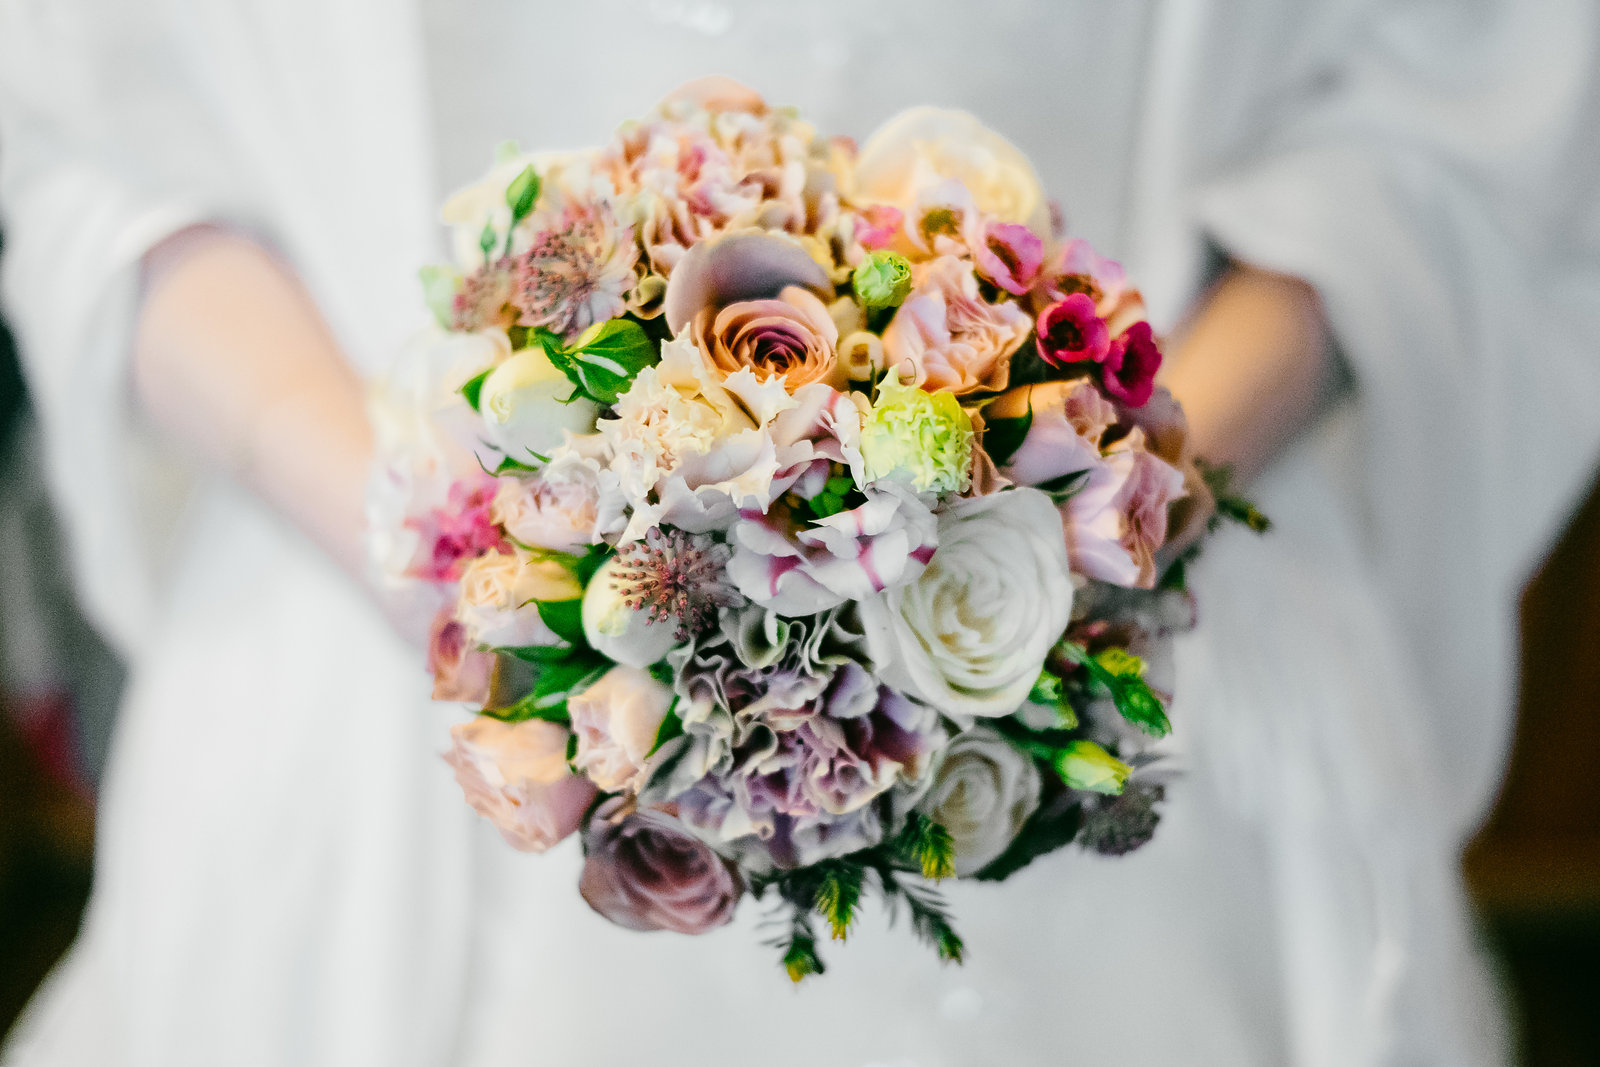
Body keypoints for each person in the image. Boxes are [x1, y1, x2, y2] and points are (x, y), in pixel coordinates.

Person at [2, 1, 1597, 1064]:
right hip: (378, 714)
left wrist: (1096, 488)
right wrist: (452, 555)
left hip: (1127, 638)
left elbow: (1441, 132)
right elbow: (101, 144)